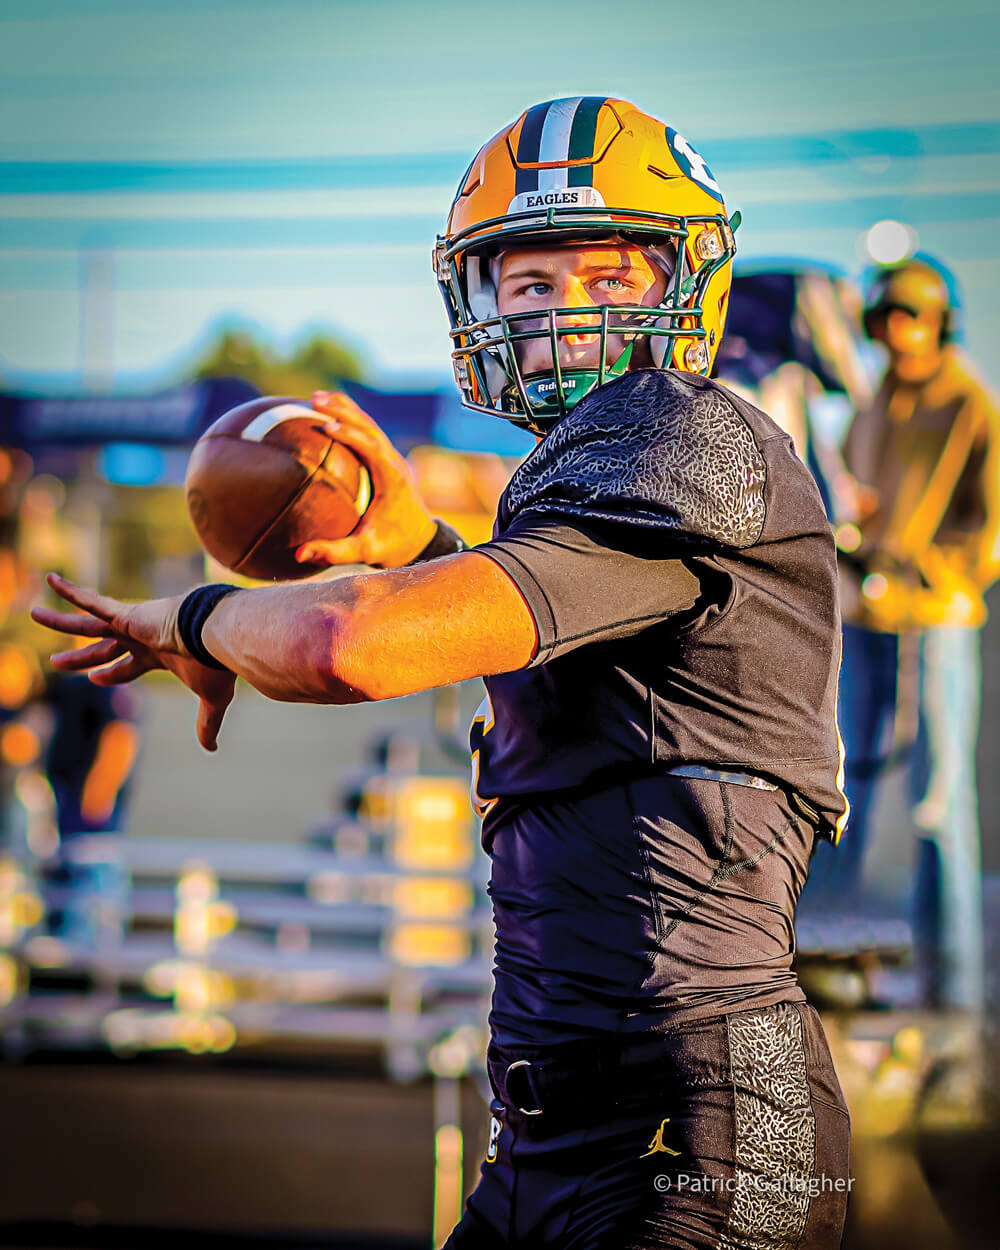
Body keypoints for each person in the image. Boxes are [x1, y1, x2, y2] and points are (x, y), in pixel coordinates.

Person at [33, 98, 852, 1248]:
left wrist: (199, 619)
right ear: (482, 304)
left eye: (606, 274)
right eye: (528, 284)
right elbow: (577, 689)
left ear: (685, 279)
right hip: (554, 1139)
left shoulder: (687, 433)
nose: (564, 308)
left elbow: (347, 645)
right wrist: (423, 552)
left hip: (706, 1128)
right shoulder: (579, 486)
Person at [814, 257, 1000, 1014]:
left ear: (940, 323)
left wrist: (916, 575)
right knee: (843, 791)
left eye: (913, 319)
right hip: (867, 621)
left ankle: (953, 999)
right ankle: (840, 965)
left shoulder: (970, 407)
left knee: (937, 808)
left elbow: (987, 537)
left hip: (936, 627)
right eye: (888, 320)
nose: (900, 334)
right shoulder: (874, 404)